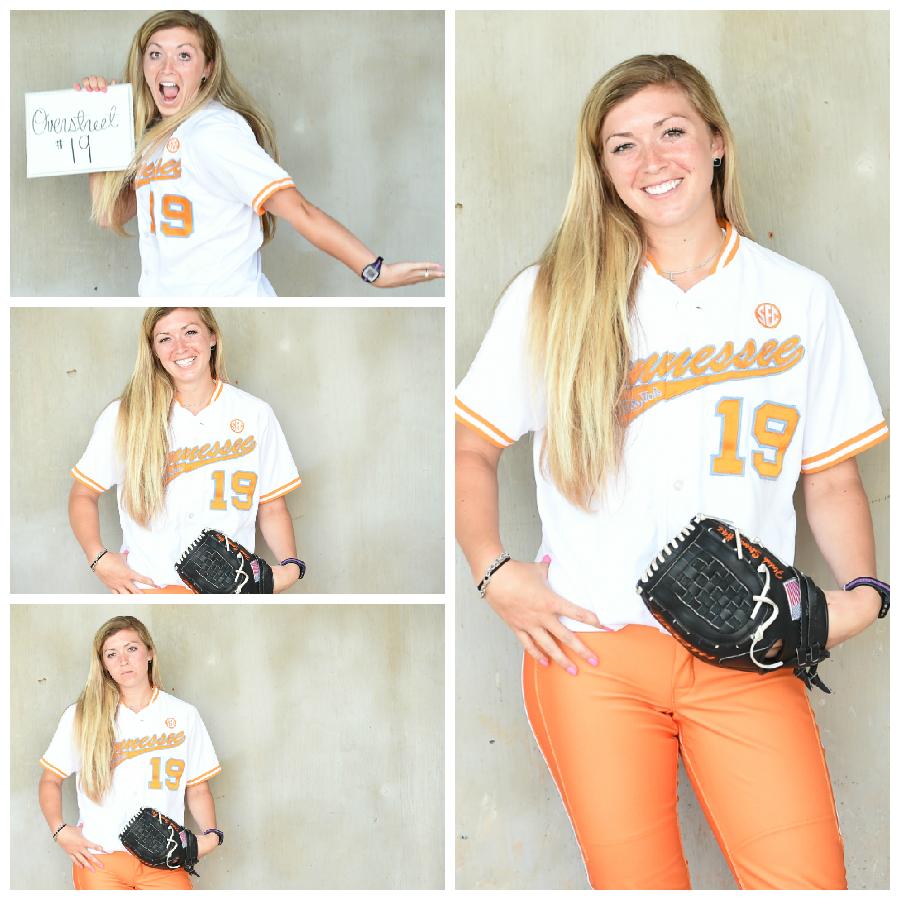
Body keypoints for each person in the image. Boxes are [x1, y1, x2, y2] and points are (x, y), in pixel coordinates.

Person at [455, 54, 888, 890]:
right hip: (590, 653)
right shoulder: (555, 294)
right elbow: (472, 447)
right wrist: (494, 572)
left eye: (672, 132)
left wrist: (864, 595)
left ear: (716, 141)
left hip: (748, 647)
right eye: (623, 145)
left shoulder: (797, 297)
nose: (651, 161)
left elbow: (829, 476)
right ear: (602, 169)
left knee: (806, 882)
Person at [74, 10, 443, 296]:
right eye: (155, 54)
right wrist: (98, 127)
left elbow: (299, 210)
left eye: (183, 56)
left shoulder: (214, 132)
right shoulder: (154, 138)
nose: (166, 67)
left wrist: (375, 271)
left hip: (227, 298)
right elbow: (111, 213)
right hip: (169, 301)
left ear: (207, 69)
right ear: (143, 65)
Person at [69, 306, 304, 594]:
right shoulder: (126, 415)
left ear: (213, 337)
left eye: (190, 332)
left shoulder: (255, 413)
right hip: (149, 590)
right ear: (153, 350)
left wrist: (291, 566)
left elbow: (271, 505)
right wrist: (98, 559)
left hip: (230, 592)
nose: (180, 347)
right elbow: (83, 494)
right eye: (165, 339)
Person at [38, 615, 222, 889]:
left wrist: (211, 834)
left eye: (131, 649)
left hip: (164, 858)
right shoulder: (82, 715)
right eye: (111, 654)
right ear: (103, 665)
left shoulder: (184, 714)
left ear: (149, 653)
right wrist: (60, 830)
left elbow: (197, 788)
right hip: (100, 859)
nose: (123, 660)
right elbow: (50, 780)